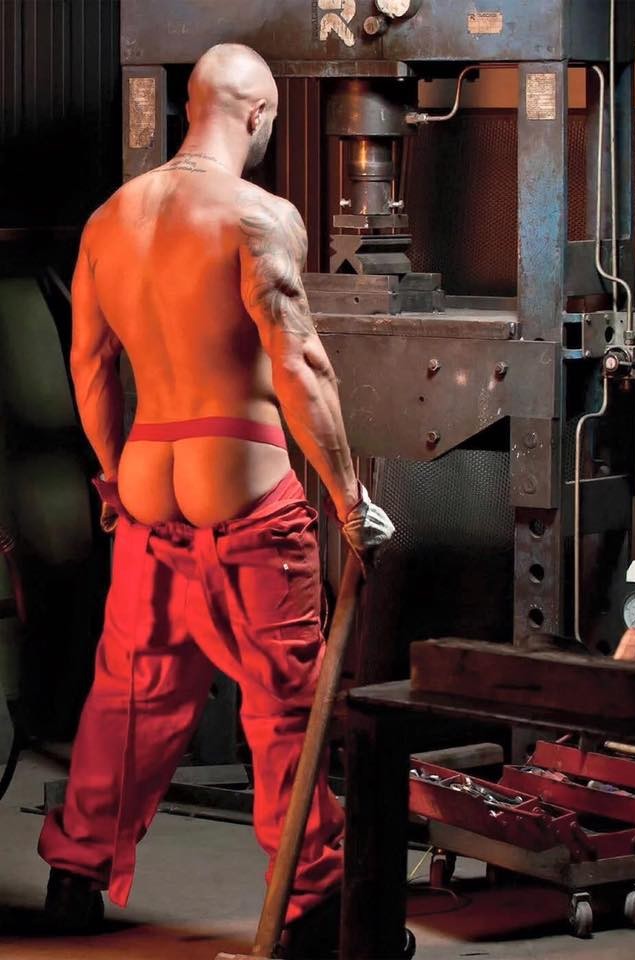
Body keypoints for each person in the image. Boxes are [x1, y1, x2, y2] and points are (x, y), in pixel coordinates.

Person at [38, 44, 411, 959]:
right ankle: (313, 904)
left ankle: (74, 878)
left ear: (188, 106)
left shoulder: (110, 220)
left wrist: (115, 478)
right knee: (284, 706)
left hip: (147, 485)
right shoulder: (258, 216)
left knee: (128, 695)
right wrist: (349, 497)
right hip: (240, 492)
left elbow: (89, 366)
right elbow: (301, 364)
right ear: (258, 115)